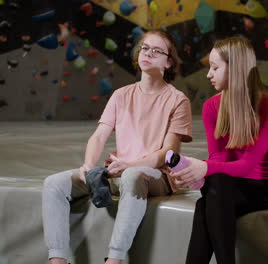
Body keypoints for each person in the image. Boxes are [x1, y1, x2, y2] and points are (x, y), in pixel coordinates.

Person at [42, 30, 192, 264]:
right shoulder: (121, 95)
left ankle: (115, 258)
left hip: (153, 176)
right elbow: (99, 135)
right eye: (144, 47)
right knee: (53, 184)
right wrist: (89, 166)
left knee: (132, 175)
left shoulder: (177, 99)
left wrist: (130, 165)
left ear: (169, 61)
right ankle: (58, 259)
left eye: (156, 50)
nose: (148, 53)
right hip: (117, 172)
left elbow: (168, 154)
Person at [170, 36, 268, 264]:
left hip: (264, 188)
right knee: (211, 193)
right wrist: (194, 173)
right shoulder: (211, 107)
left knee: (208, 200)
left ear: (236, 69)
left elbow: (247, 165)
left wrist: (203, 168)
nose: (208, 74)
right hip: (228, 186)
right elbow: (218, 159)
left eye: (215, 68)